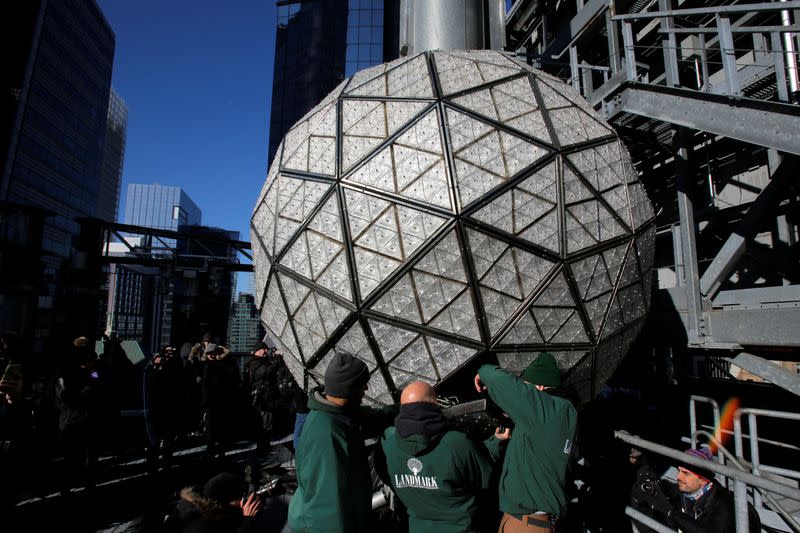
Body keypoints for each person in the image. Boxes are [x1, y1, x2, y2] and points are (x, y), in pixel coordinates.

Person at [379, 380, 508, 533]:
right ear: (434, 406)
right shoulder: (455, 442)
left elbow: (385, 474)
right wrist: (496, 443)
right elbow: (485, 477)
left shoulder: (387, 441)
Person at [288, 351, 396, 533]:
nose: (367, 389)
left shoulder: (335, 413)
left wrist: (404, 410)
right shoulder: (327, 436)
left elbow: (368, 418)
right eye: (363, 384)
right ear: (350, 388)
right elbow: (327, 506)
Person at [474, 352, 577, 532]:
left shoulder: (547, 409)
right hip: (527, 520)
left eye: (526, 387)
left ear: (540, 386)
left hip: (528, 524)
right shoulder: (559, 414)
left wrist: (483, 372)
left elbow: (498, 379)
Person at [634, 447, 761, 533]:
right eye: (679, 471)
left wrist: (671, 512)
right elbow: (668, 491)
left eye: (686, 473)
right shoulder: (691, 492)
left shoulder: (724, 505)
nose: (678, 477)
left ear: (704, 479)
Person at [163, 471, 261, 532]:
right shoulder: (202, 526)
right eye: (240, 498)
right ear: (225, 501)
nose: (243, 501)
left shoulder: (203, 499)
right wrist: (247, 520)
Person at [201, 343, 241, 459]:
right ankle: (215, 451)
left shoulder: (210, 366)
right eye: (210, 354)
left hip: (216, 402)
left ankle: (215, 451)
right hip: (215, 402)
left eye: (213, 354)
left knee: (215, 429)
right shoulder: (216, 365)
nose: (212, 356)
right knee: (214, 430)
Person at [246, 340, 283, 456]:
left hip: (267, 398)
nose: (266, 351)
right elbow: (265, 373)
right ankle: (262, 450)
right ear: (258, 351)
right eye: (264, 349)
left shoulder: (261, 361)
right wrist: (277, 360)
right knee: (264, 425)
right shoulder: (255, 363)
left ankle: (264, 448)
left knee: (267, 423)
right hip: (263, 400)